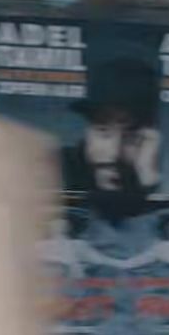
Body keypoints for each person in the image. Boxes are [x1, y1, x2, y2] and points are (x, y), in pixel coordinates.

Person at [59, 57, 160, 225]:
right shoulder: (52, 169)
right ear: (88, 130)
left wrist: (149, 188)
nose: (113, 153)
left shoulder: (148, 177)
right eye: (103, 131)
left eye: (132, 136)